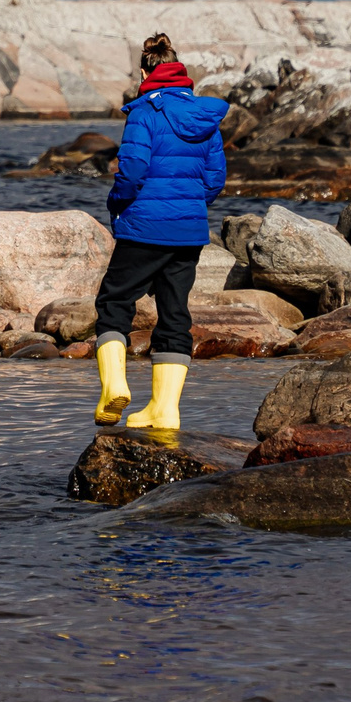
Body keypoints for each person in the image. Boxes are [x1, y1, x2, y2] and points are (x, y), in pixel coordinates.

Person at [92, 33, 228, 431]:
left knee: (114, 302)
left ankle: (113, 386)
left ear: (144, 71)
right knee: (174, 315)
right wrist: (187, 204)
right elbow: (214, 180)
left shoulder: (143, 113)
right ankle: (164, 410)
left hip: (144, 226)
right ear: (180, 70)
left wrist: (117, 202)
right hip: (188, 232)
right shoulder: (205, 116)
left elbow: (131, 170)